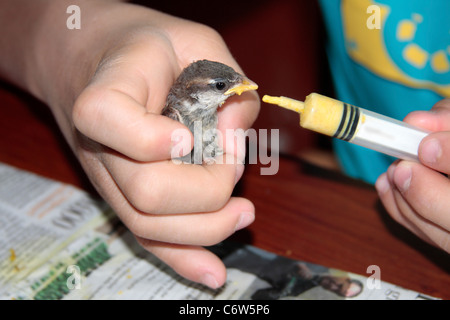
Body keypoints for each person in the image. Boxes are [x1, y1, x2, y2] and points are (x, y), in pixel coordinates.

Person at [0, 0, 448, 290]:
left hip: (347, 182)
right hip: (352, 184)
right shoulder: (177, 113)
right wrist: (75, 44)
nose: (242, 89)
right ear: (196, 95)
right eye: (222, 86)